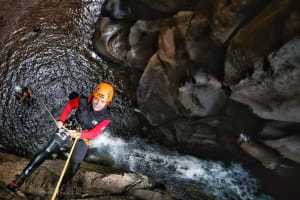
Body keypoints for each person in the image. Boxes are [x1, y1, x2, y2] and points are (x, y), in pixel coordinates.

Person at [7, 82, 114, 199]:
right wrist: (61, 120)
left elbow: (94, 133)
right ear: (93, 95)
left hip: (84, 135)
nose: (97, 103)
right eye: (96, 99)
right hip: (70, 126)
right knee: (48, 149)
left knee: (76, 163)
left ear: (107, 102)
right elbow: (69, 105)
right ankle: (22, 177)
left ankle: (62, 184)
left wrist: (80, 134)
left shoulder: (106, 117)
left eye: (102, 102)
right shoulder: (82, 100)